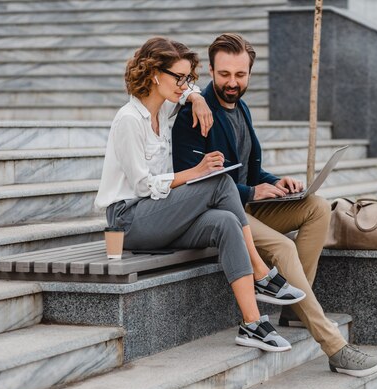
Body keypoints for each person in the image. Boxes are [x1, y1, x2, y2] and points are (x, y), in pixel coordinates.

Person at [172, 33, 377, 377]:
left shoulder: (240, 108)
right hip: (218, 213)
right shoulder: (193, 114)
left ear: (250, 74)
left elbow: (249, 170)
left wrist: (274, 182)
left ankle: (292, 310)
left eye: (240, 75)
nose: (232, 82)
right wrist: (252, 193)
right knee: (284, 248)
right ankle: (334, 347)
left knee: (317, 206)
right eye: (224, 74)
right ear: (210, 70)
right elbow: (195, 182)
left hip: (247, 203)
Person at [94, 37, 307, 353]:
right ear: (155, 75)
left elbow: (191, 92)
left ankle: (252, 324)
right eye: (178, 78)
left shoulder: (167, 109)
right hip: (128, 220)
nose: (184, 84)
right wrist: (194, 173)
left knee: (225, 223)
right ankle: (261, 272)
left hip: (158, 214)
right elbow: (142, 186)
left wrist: (197, 99)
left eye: (187, 78)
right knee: (218, 181)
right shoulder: (129, 119)